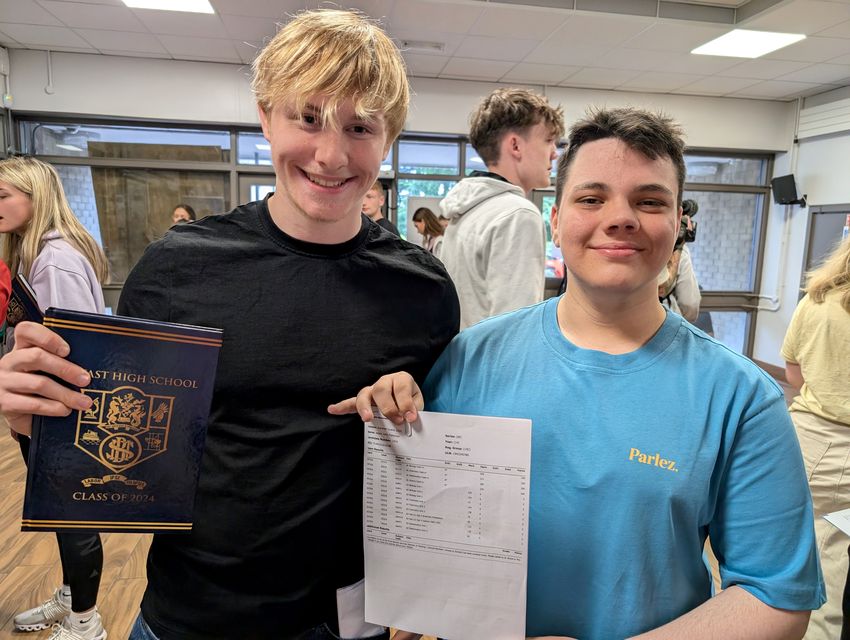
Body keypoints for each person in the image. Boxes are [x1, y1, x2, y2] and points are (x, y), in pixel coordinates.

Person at [0, 10, 459, 640]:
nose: (331, 153)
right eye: (308, 117)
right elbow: (118, 445)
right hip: (191, 613)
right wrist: (43, 426)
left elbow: (437, 458)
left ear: (389, 138)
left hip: (350, 618)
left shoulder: (424, 291)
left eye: (360, 127)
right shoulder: (177, 268)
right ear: (266, 116)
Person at [338, 107, 825, 639]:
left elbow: (776, 597)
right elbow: (425, 528)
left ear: (679, 224)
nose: (620, 218)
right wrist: (393, 405)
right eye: (591, 198)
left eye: (650, 201)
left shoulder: (740, 396)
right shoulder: (468, 361)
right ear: (554, 219)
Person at [0, 156, 109, 640]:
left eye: (3, 195)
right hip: (40, 413)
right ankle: (71, 596)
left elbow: (78, 350)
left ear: (34, 196)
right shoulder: (33, 252)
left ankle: (86, 621)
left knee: (73, 518)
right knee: (59, 514)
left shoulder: (56, 258)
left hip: (60, 417)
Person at [439, 87, 564, 329]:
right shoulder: (518, 214)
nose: (554, 154)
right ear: (515, 146)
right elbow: (516, 328)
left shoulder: (466, 210)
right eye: (548, 140)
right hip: (492, 365)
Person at [782, 235, 850, 640]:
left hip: (803, 439)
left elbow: (793, 371)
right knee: (831, 555)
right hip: (840, 450)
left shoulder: (817, 301)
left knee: (786, 542)